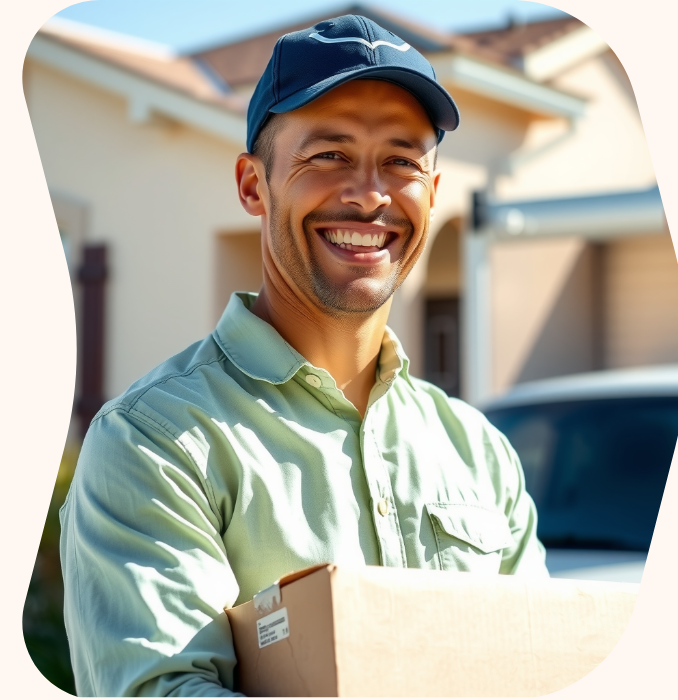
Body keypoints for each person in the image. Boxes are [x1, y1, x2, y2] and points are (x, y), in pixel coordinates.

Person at [60, 14, 548, 697]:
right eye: (329, 156)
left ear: (433, 195)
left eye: (402, 161)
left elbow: (542, 668)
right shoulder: (154, 444)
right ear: (253, 186)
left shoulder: (479, 454)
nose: (370, 194)